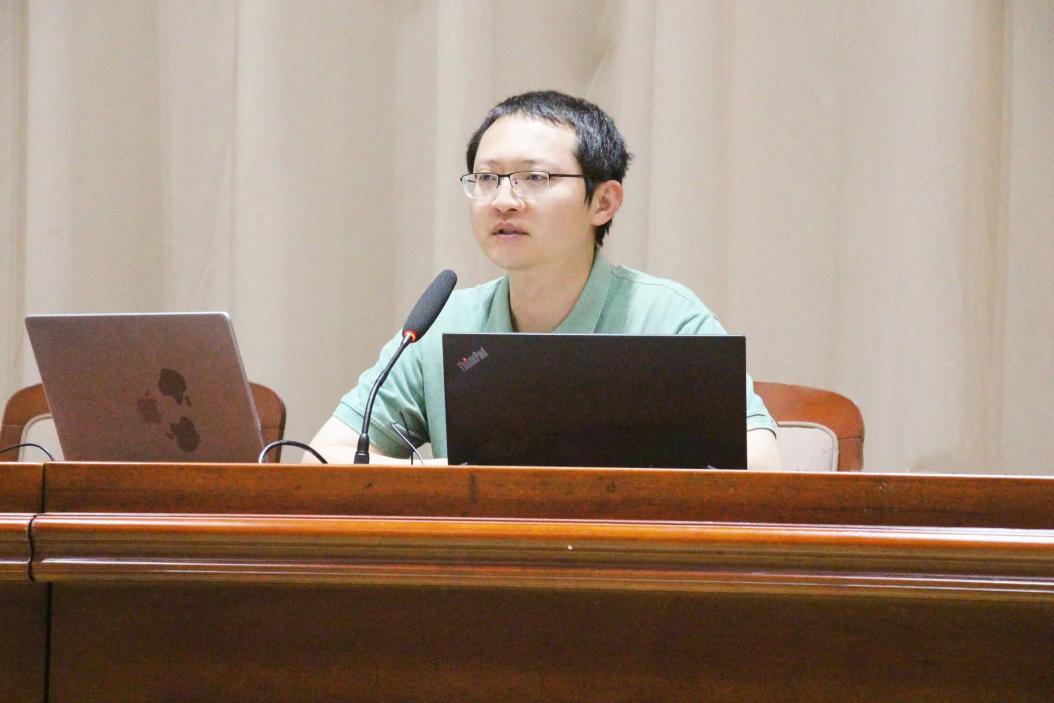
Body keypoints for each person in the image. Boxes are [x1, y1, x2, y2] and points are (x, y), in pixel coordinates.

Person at [308, 91, 781, 468]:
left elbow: (760, 463)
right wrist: (450, 476)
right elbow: (326, 455)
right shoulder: (443, 323)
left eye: (534, 178)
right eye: (487, 178)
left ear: (604, 202)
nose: (503, 201)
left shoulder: (666, 317)